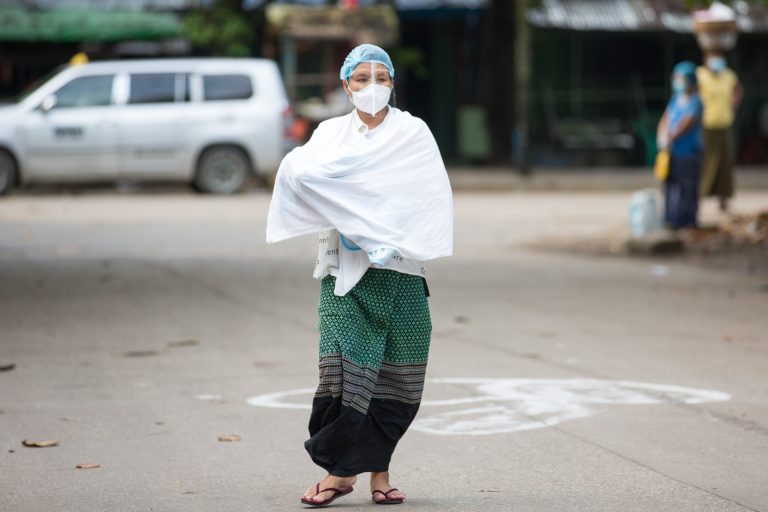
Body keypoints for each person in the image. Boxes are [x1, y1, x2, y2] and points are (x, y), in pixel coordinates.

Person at [265, 44, 453, 507]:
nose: (372, 87)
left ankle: (379, 474)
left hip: (401, 269)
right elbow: (297, 174)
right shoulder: (330, 135)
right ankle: (339, 474)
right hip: (344, 269)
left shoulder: (413, 133)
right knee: (346, 370)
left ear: (393, 84)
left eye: (382, 78)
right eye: (362, 78)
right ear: (346, 85)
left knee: (396, 373)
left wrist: (379, 222)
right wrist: (356, 215)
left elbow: (426, 197)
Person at [656, 61, 704, 229]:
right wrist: (662, 134)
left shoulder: (696, 101)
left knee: (687, 188)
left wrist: (672, 135)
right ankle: (671, 219)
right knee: (670, 187)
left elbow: (688, 122)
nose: (677, 81)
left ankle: (687, 222)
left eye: (680, 78)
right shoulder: (676, 99)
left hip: (689, 152)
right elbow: (666, 118)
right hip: (672, 152)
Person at [696, 50, 743, 212]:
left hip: (725, 124)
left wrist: (733, 102)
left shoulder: (728, 75)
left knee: (725, 162)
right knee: (707, 162)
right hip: (707, 125)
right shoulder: (700, 75)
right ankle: (700, 197)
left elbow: (738, 90)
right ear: (705, 59)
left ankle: (723, 199)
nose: (717, 61)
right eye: (714, 58)